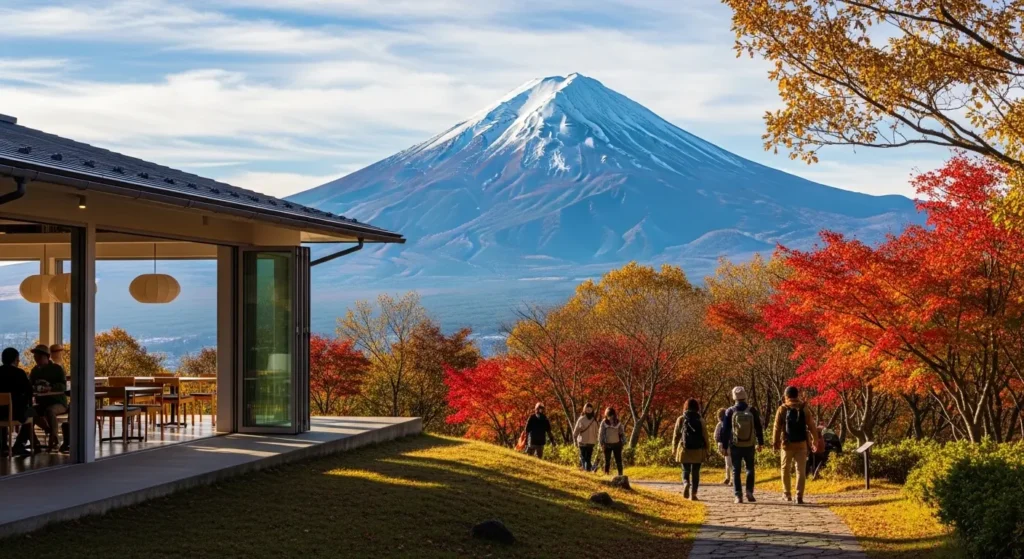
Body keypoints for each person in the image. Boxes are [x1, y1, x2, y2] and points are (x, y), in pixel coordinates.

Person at [773, 386, 821, 504]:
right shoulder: (804, 408)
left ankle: (787, 494)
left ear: (786, 396)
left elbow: (776, 427)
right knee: (800, 470)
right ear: (797, 395)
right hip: (801, 444)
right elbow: (811, 426)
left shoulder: (782, 409)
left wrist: (775, 443)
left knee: (785, 469)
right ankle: (799, 495)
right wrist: (815, 440)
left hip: (786, 444)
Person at [720, 386, 765, 504]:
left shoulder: (730, 411)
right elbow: (758, 427)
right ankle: (749, 492)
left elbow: (724, 430)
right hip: (750, 444)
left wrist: (724, 446)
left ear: (734, 397)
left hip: (735, 445)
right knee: (750, 468)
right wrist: (760, 442)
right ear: (745, 396)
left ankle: (738, 495)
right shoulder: (752, 410)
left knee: (736, 470)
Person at [26, 344, 67, 451]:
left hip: (58, 401)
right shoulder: (34, 371)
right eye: (35, 357)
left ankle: (53, 439)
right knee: (29, 412)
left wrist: (51, 388)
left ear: (47, 357)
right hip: (41, 403)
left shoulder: (57, 369)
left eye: (39, 357)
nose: (36, 359)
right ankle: (37, 440)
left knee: (50, 411)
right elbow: (29, 385)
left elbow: (63, 386)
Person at [672, 398, 709, 501]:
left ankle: (686, 483)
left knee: (685, 470)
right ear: (697, 407)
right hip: (698, 450)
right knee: (696, 472)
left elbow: (676, 435)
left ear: (686, 407)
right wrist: (707, 449)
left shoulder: (681, 419)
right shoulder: (700, 420)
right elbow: (705, 436)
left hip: (684, 449)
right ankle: (693, 494)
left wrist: (674, 448)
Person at [0, 347, 34, 457]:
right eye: (18, 359)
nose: (19, 361)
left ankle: (3, 447)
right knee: (32, 413)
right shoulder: (19, 373)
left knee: (4, 411)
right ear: (15, 359)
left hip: (0, 413)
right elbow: (29, 391)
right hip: (16, 412)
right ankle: (19, 445)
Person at [572, 403, 600, 472]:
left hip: (584, 441)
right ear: (584, 409)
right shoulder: (593, 420)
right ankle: (588, 469)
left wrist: (575, 436)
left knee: (584, 456)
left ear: (592, 410)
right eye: (587, 409)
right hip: (588, 441)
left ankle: (587, 469)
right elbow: (597, 431)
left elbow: (576, 430)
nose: (589, 410)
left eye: (590, 409)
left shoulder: (585, 419)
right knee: (586, 457)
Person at [598, 407, 625, 476]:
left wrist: (623, 441)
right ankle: (607, 474)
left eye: (611, 415)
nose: (610, 417)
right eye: (609, 415)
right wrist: (601, 443)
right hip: (607, 444)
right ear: (606, 415)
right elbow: (601, 434)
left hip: (616, 444)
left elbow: (621, 432)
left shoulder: (617, 422)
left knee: (618, 460)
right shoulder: (604, 422)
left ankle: (620, 474)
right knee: (607, 461)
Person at [713, 407, 732, 485]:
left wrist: (718, 443)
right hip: (731, 444)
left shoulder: (719, 424)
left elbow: (715, 436)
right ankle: (730, 478)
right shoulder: (731, 422)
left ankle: (729, 478)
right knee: (731, 462)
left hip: (723, 445)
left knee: (728, 462)